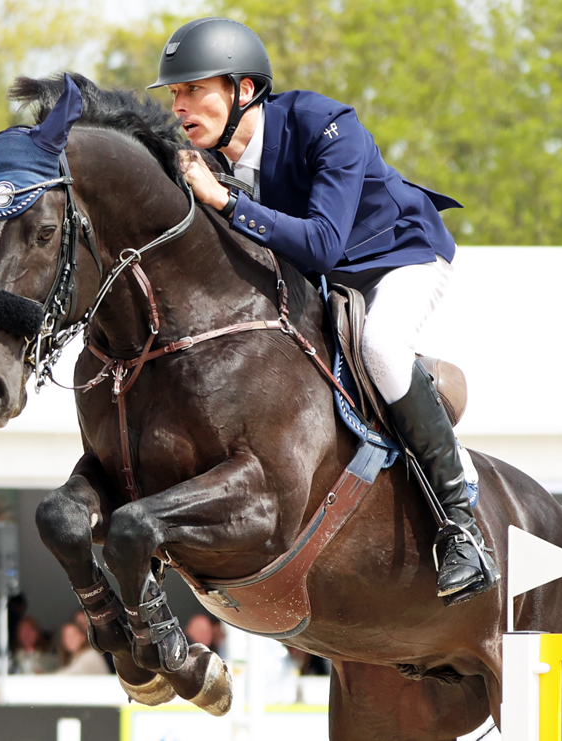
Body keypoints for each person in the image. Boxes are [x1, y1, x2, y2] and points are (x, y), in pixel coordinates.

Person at [147, 17, 498, 603]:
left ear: (244, 91)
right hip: (324, 280)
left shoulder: (327, 125)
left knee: (380, 347)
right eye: (176, 94)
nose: (180, 106)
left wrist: (223, 200)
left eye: (194, 90)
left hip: (399, 257)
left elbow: (323, 242)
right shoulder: (201, 159)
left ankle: (460, 519)